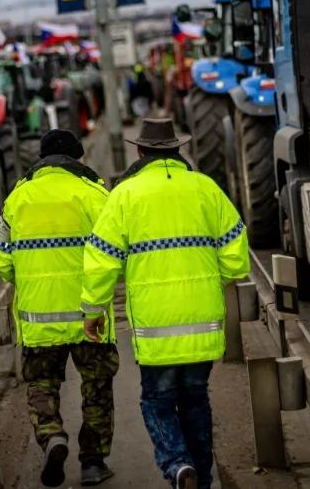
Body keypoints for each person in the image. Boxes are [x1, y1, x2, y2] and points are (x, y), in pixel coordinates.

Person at [81, 118, 250, 489]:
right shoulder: (206, 188)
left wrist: (93, 311)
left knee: (156, 402)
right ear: (178, 150)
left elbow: (101, 259)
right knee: (195, 400)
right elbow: (238, 258)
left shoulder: (125, 195)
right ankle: (202, 479)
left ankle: (177, 465)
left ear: (140, 152)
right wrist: (209, 281)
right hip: (203, 323)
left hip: (156, 329)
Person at [0, 129, 119, 487]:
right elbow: (114, 249)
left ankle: (52, 434)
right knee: (97, 390)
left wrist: (19, 273)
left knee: (41, 384)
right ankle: (92, 462)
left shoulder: (19, 198)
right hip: (91, 318)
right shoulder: (94, 195)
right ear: (77, 159)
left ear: (41, 160)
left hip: (38, 319)